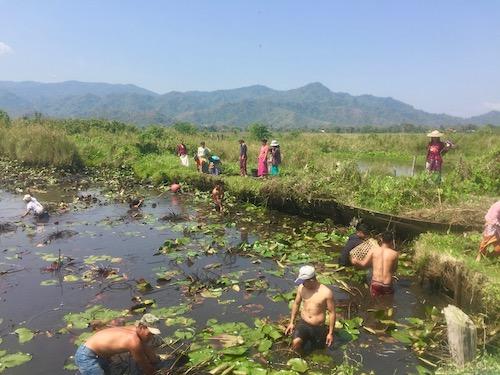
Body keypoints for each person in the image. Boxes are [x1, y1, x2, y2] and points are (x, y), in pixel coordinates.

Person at [74, 314, 161, 375]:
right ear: (142, 327)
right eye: (150, 334)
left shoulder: (134, 329)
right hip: (87, 356)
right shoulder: (133, 341)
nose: (151, 337)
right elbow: (145, 366)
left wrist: (156, 362)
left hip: (98, 355)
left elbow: (148, 351)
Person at [285, 265, 335, 352]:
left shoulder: (326, 293)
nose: (302, 284)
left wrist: (330, 333)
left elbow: (332, 313)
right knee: (296, 343)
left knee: (318, 351)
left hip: (318, 327)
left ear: (312, 280)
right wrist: (291, 322)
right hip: (303, 323)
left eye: (304, 281)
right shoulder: (301, 288)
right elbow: (296, 304)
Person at [351, 231, 399, 297]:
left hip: (376, 283)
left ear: (381, 239)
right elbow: (394, 269)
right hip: (387, 284)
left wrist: (355, 260)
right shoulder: (395, 254)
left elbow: (363, 264)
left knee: (374, 303)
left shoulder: (373, 250)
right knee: (387, 303)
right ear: (392, 241)